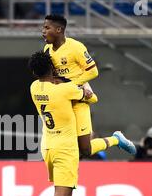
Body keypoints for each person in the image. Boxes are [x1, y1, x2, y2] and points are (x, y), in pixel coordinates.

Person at [29, 51, 95, 196]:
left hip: (47, 147)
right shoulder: (65, 90)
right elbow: (91, 97)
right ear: (52, 67)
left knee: (65, 195)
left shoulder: (34, 88)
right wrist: (84, 86)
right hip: (66, 148)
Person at [42, 14, 136, 159]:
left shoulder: (76, 47)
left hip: (80, 100)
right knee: (66, 142)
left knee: (85, 149)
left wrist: (72, 86)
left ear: (59, 30)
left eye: (47, 28)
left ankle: (116, 139)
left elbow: (93, 71)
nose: (43, 31)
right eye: (43, 27)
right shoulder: (47, 50)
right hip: (63, 102)